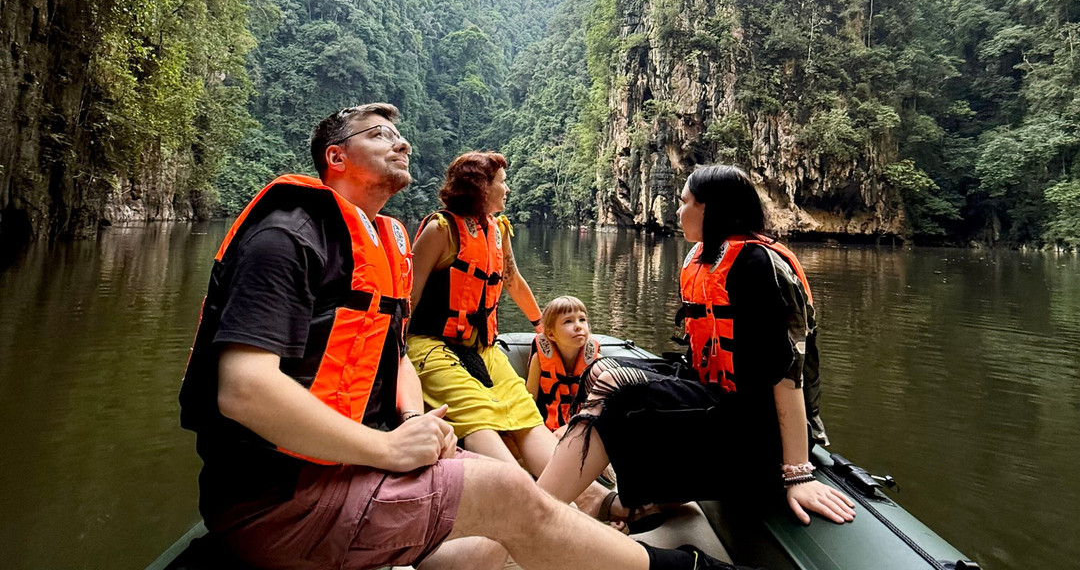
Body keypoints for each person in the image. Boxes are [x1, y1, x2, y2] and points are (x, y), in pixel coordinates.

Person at [178, 104, 745, 570]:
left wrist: (410, 421)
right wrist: (388, 448)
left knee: (498, 523)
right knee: (504, 490)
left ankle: (592, 506)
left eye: (401, 137)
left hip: (354, 465)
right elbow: (243, 390)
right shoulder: (289, 237)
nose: (401, 144)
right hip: (284, 492)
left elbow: (392, 349)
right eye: (380, 136)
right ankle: (684, 566)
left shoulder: (385, 241)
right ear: (337, 157)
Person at [537, 164, 856, 528]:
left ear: (709, 208)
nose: (677, 210)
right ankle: (582, 489)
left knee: (622, 399)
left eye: (684, 201)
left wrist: (797, 473)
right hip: (714, 393)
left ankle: (540, 508)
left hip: (754, 427)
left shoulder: (756, 265)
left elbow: (786, 377)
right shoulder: (703, 257)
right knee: (602, 370)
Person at [406, 153, 612, 516]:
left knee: (521, 407)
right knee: (477, 410)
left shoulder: (498, 230)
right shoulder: (441, 230)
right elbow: (411, 293)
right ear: (480, 187)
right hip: (431, 344)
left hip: (481, 348)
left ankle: (590, 497)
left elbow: (513, 281)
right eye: (502, 181)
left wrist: (538, 325)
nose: (508, 187)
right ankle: (526, 502)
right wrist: (395, 351)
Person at [526, 296, 602, 434]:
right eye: (568, 321)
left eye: (582, 319)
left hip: (582, 428)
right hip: (546, 427)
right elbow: (530, 399)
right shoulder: (539, 360)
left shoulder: (597, 362)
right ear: (551, 334)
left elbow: (600, 406)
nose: (578, 326)